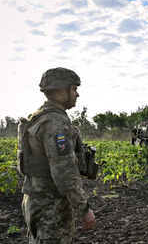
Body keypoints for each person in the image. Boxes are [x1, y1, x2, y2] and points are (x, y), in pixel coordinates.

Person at [18, 67, 97, 244]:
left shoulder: (38, 117)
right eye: (74, 89)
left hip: (35, 200)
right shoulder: (55, 123)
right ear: (61, 90)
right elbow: (64, 171)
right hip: (51, 206)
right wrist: (83, 210)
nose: (77, 94)